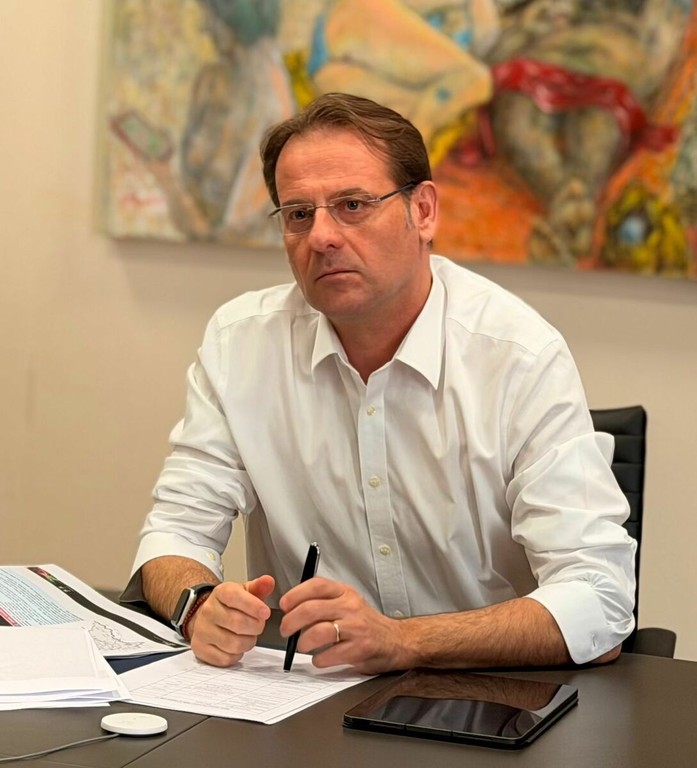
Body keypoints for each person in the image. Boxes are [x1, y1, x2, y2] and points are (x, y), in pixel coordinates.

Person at [122, 91, 636, 675]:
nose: (321, 237)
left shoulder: (518, 357)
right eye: (298, 214)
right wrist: (197, 605)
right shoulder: (241, 344)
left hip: (494, 696)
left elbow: (600, 599)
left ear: (424, 212)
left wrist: (404, 641)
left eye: (353, 205)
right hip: (309, 700)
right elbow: (174, 531)